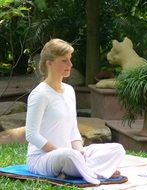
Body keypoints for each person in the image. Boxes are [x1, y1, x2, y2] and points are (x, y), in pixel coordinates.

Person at [25, 39, 125, 184]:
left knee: (117, 149)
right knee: (68, 155)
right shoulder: (39, 94)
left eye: (70, 60)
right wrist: (61, 151)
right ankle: (97, 171)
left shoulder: (69, 91)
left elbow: (73, 128)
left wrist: (80, 151)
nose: (70, 65)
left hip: (70, 155)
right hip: (43, 158)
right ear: (49, 63)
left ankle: (82, 170)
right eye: (64, 61)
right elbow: (31, 134)